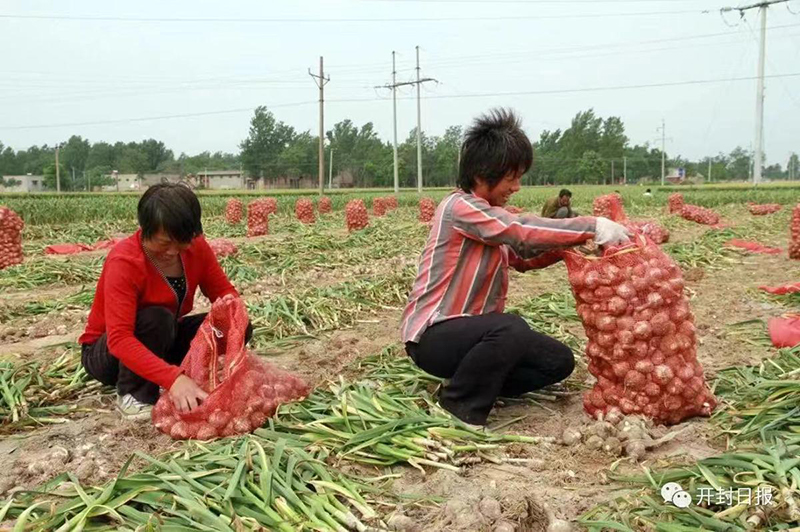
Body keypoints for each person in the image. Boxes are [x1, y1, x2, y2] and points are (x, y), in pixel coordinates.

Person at [400, 109, 630, 426]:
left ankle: (474, 383)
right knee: (510, 327)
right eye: (512, 177)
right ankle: (458, 406)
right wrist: (591, 226)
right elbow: (519, 230)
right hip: (433, 337)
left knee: (557, 361)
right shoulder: (461, 208)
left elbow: (520, 258)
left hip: (474, 340)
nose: (517, 186)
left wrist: (570, 250)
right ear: (483, 174)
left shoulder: (490, 217)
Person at [79, 183, 252, 418]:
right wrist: (173, 379)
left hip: (163, 339)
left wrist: (234, 323)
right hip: (109, 354)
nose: (173, 251)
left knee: (232, 322)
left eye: (182, 242)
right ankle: (133, 395)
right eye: (163, 242)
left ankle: (193, 375)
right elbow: (119, 340)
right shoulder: (125, 262)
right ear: (145, 229)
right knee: (156, 317)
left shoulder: (196, 248)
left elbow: (223, 293)